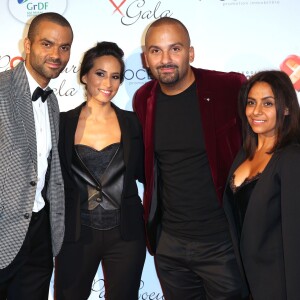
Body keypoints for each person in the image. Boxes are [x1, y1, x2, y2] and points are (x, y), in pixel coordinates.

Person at [133, 17, 248, 300]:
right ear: (145, 58)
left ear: (191, 52)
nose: (166, 59)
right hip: (170, 247)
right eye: (156, 51)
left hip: (223, 244)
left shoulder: (229, 88)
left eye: (175, 49)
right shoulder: (143, 99)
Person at [55, 41, 146, 300]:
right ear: (84, 76)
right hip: (76, 233)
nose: (108, 83)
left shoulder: (133, 123)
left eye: (115, 76)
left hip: (126, 235)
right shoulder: (62, 123)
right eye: (100, 74)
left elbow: (147, 173)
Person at [0, 12, 73, 299]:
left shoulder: (52, 101)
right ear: (27, 46)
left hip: (40, 237)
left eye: (64, 47)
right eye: (47, 44)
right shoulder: (2, 90)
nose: (56, 54)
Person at [223, 70, 300, 300]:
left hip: (278, 282)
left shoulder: (291, 158)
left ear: (286, 108)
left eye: (267, 103)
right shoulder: (243, 155)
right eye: (251, 103)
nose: (256, 111)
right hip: (245, 281)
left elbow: (295, 235)